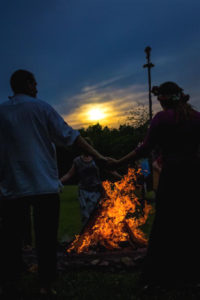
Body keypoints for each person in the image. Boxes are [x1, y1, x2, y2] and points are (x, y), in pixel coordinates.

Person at [0, 69, 107, 297]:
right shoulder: (42, 108)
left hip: (12, 187)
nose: (37, 88)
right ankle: (45, 284)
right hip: (43, 185)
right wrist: (99, 157)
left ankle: (11, 280)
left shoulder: (2, 111)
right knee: (45, 238)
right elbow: (71, 136)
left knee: (11, 237)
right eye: (35, 83)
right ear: (28, 84)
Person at [108, 81, 200, 287]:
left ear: (165, 99)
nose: (158, 103)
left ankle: (157, 276)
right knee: (191, 222)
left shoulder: (162, 119)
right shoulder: (196, 117)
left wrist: (118, 162)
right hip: (193, 175)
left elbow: (144, 148)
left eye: (159, 99)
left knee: (165, 224)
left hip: (173, 175)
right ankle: (192, 275)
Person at [60, 137, 122, 227]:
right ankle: (87, 236)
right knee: (86, 216)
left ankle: (97, 235)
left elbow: (109, 170)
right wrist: (58, 181)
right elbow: (69, 174)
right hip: (84, 192)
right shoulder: (77, 161)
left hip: (96, 191)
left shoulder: (96, 159)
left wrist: (121, 177)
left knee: (98, 214)